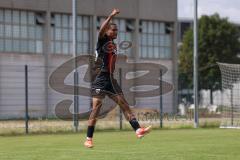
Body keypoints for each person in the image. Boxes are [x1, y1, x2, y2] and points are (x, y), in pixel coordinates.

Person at [84, 8, 151, 148]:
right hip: (100, 79)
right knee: (96, 108)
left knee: (124, 104)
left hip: (110, 79)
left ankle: (138, 130)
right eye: (113, 30)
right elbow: (101, 30)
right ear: (107, 31)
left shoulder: (113, 45)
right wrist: (111, 16)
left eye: (116, 31)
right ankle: (88, 138)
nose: (115, 33)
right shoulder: (102, 40)